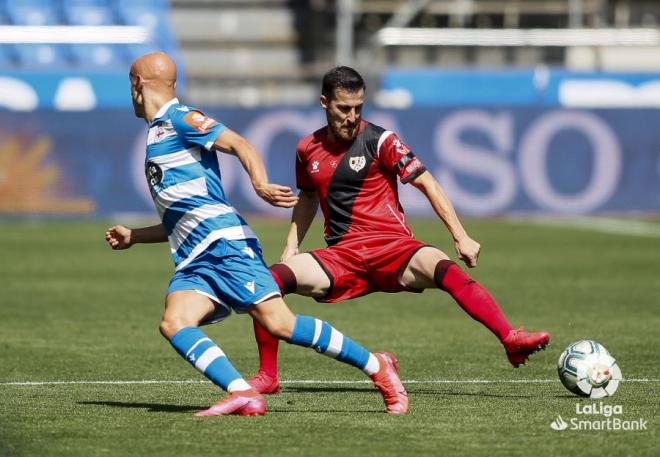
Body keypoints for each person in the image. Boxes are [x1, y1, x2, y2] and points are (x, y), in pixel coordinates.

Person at [105, 53, 408, 416]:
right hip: (196, 258)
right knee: (174, 322)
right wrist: (134, 236)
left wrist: (260, 184)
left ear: (137, 85)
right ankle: (243, 393)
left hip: (225, 246)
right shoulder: (156, 133)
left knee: (281, 324)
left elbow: (239, 144)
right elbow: (181, 218)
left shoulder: (179, 118)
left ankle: (377, 366)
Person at [247, 66, 551, 394]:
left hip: (394, 249)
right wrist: (292, 245)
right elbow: (307, 197)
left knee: (445, 270)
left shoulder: (380, 140)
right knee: (267, 282)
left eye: (358, 108)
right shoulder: (307, 149)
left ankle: (510, 338)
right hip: (342, 256)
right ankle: (268, 376)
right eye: (343, 108)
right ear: (324, 103)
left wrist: (460, 235)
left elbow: (426, 181)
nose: (352, 116)